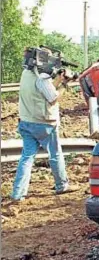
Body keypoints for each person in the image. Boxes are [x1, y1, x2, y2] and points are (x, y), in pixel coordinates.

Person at [11, 58, 79, 202]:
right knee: (55, 154)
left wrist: (58, 81)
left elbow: (42, 90)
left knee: (27, 158)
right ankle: (62, 185)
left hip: (26, 121)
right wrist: (65, 84)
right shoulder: (42, 78)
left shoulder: (26, 73)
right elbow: (52, 98)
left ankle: (18, 194)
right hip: (44, 123)